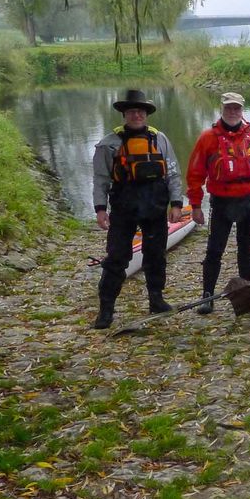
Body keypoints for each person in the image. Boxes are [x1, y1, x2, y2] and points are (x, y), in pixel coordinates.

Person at [91, 89, 185, 329]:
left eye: (140, 111)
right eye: (132, 111)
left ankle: (156, 299)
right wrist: (100, 209)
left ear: (146, 114)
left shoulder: (160, 139)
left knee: (156, 256)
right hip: (124, 209)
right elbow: (101, 179)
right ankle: (106, 310)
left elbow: (173, 173)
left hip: (154, 207)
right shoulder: (108, 145)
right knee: (117, 258)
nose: (136, 115)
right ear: (124, 114)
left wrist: (176, 203)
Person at [186, 91, 250, 314]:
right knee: (215, 249)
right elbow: (195, 174)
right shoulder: (208, 138)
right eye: (229, 108)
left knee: (246, 246)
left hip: (249, 200)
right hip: (222, 202)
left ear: (242, 110)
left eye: (237, 108)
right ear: (221, 109)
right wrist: (196, 206)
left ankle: (247, 288)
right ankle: (207, 295)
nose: (233, 112)